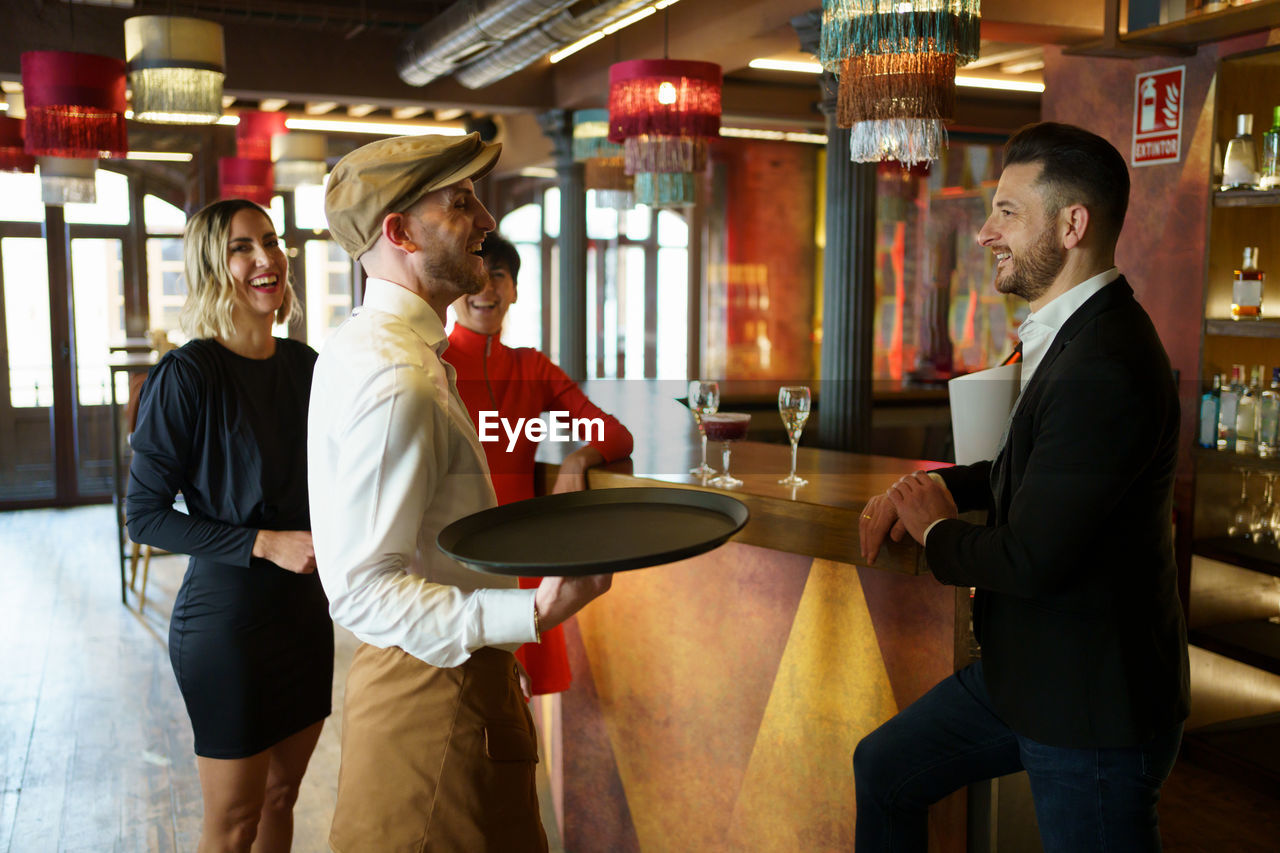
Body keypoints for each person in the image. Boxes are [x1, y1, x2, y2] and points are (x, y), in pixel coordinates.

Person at [855, 122, 1189, 852]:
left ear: (1073, 224)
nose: (984, 232)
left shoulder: (1107, 361)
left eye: (1007, 211)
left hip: (1091, 708)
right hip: (1027, 678)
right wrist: (920, 490)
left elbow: (1032, 558)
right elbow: (1026, 469)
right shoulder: (1075, 335)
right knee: (883, 767)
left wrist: (939, 529)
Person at [309, 132, 612, 853]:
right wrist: (531, 609)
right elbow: (360, 588)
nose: (487, 219)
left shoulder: (375, 347)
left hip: (436, 683)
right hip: (430, 697)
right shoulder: (398, 377)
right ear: (399, 231)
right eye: (461, 201)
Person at [126, 198, 333, 853]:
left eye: (270, 241)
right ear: (213, 266)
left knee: (281, 796)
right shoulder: (188, 375)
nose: (265, 258)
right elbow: (145, 514)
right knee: (234, 821)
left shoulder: (307, 366)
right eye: (242, 247)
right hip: (227, 625)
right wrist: (263, 542)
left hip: (305, 615)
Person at [443, 232, 633, 695]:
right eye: (475, 278)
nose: (486, 289)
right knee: (463, 698)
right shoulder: (433, 362)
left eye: (499, 277)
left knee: (515, 704)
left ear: (513, 290)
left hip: (521, 556)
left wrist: (578, 459)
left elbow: (615, 434)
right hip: (452, 554)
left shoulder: (532, 367)